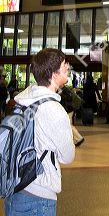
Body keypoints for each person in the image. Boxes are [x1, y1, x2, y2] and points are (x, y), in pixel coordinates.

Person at [4, 48, 75, 216]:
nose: (68, 67)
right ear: (54, 74)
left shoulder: (23, 100)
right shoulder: (53, 109)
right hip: (38, 196)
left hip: (15, 189)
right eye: (65, 65)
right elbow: (68, 156)